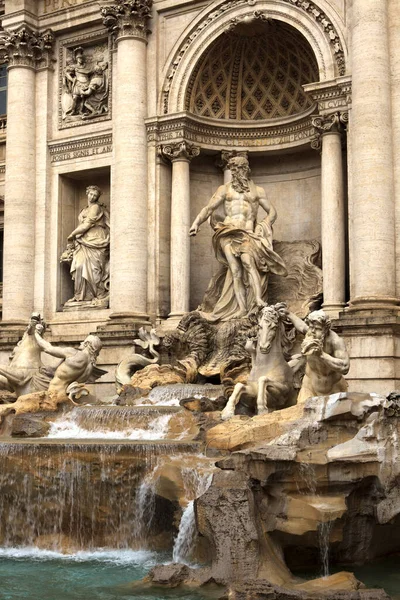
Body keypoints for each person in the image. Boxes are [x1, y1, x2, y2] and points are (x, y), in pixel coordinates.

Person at [189, 156, 287, 321]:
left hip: (247, 233)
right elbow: (208, 208)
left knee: (249, 264)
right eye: (233, 169)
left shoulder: (258, 191)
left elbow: (272, 211)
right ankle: (242, 308)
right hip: (227, 232)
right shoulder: (224, 189)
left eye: (239, 168)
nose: (235, 172)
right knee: (235, 270)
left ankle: (257, 300)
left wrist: (263, 226)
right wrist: (196, 223)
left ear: (246, 169)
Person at [285, 309, 350, 403]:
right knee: (302, 414)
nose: (313, 331)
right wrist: (288, 313)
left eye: (318, 329)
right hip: (310, 387)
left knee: (337, 416)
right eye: (311, 327)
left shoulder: (335, 341)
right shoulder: (310, 332)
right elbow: (301, 325)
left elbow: (345, 367)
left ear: (326, 328)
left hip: (334, 388)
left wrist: (322, 355)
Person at [61, 185, 110, 309]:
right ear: (87, 194)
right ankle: (80, 296)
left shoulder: (96, 208)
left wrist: (72, 234)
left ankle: (97, 294)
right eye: (91, 194)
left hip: (96, 239)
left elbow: (87, 224)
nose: (92, 197)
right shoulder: (83, 210)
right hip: (83, 241)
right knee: (79, 266)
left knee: (95, 270)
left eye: (95, 195)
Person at [33, 332, 103, 397]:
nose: (81, 343)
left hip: (54, 394)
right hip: (67, 396)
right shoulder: (90, 367)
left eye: (83, 342)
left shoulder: (74, 353)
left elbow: (47, 348)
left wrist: (36, 333)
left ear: (87, 343)